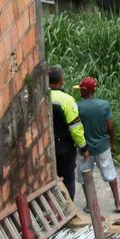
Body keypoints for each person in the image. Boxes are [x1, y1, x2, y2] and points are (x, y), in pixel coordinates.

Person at [74, 77, 120, 214]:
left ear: (84, 91)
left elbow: (74, 127)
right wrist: (112, 141)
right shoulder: (104, 105)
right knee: (110, 173)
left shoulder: (77, 106)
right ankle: (117, 203)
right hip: (102, 146)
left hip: (85, 149)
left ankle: (90, 205)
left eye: (80, 90)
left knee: (85, 176)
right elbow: (110, 126)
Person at [49, 66, 88, 201]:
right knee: (67, 180)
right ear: (61, 80)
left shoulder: (41, 96)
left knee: (49, 180)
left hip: (47, 147)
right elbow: (75, 128)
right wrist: (84, 147)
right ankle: (68, 208)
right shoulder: (67, 100)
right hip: (65, 148)